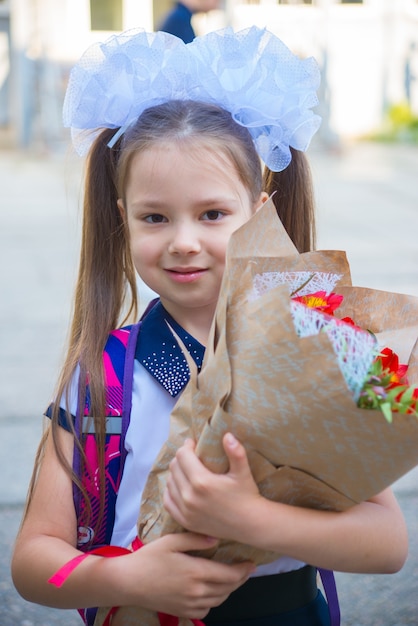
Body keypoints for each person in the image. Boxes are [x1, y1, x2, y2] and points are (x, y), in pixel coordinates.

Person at [11, 26, 408, 626]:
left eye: (213, 213)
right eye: (155, 217)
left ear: (260, 206)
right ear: (123, 218)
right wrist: (128, 575)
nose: (184, 241)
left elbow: (390, 545)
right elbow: (32, 562)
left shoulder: (331, 336)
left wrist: (250, 522)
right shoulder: (103, 374)